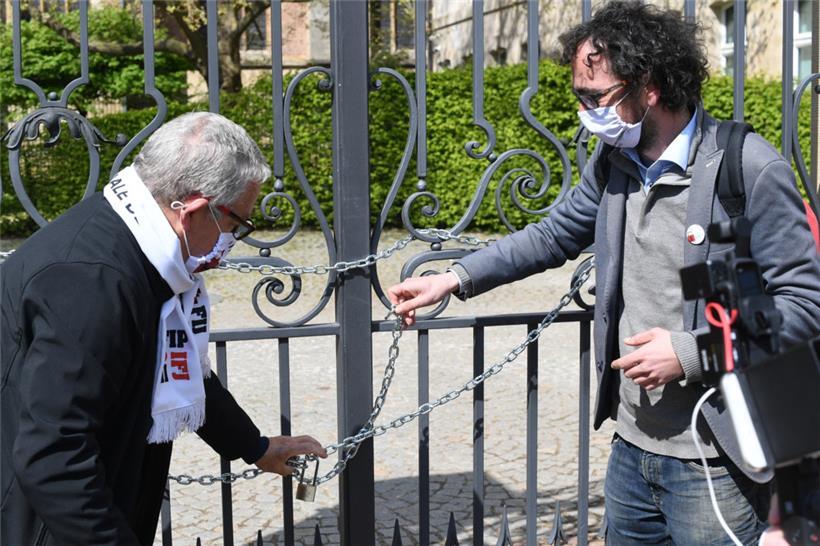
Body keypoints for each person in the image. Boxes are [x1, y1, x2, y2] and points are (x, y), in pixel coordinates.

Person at [388, 2, 820, 545]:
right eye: (579, 97)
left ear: (651, 87)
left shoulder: (750, 168)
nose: (586, 112)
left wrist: (689, 352)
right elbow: (550, 236)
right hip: (631, 452)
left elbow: (804, 306)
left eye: (597, 97)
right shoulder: (614, 161)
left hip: (714, 459)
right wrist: (452, 279)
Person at [1, 112, 327, 545]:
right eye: (236, 225)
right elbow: (54, 456)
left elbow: (177, 368)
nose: (232, 244)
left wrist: (256, 447)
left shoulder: (140, 243)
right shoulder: (93, 280)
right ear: (193, 210)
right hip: (45, 526)